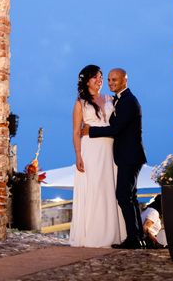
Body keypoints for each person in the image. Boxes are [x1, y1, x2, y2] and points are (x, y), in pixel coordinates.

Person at [82, 68, 147, 249]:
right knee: (130, 196)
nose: (111, 83)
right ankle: (138, 237)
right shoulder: (120, 100)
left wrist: (91, 130)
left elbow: (116, 129)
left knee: (123, 196)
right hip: (127, 155)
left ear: (125, 81)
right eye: (109, 80)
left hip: (130, 155)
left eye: (115, 80)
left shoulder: (128, 102)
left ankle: (134, 238)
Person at [69, 65, 126, 247]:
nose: (100, 80)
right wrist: (78, 155)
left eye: (101, 77)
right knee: (94, 189)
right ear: (87, 81)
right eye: (95, 77)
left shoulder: (110, 99)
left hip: (110, 150)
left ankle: (113, 234)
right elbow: (76, 132)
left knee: (110, 189)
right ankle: (93, 234)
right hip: (90, 151)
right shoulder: (80, 103)